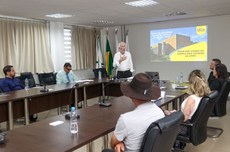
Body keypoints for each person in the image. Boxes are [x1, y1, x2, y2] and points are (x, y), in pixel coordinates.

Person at [103, 73, 165, 152]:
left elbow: (112, 143)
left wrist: (119, 143)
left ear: (130, 95)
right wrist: (120, 142)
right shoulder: (159, 112)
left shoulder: (126, 119)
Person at [164, 70, 211, 150]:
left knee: (160, 125)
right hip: (192, 125)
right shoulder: (204, 95)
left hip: (184, 127)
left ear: (190, 82)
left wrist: (170, 115)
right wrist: (174, 112)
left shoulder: (192, 99)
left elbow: (184, 118)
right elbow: (190, 113)